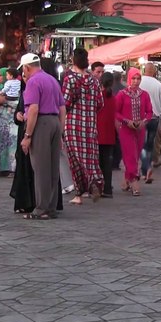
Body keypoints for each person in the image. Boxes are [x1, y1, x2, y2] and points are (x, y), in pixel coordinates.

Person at [10, 57, 64, 214]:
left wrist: (27, 136)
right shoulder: (53, 80)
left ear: (27, 67)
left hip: (41, 123)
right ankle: (52, 206)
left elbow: (33, 109)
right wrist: (60, 131)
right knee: (53, 168)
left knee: (41, 168)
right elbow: (62, 109)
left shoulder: (33, 82)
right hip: (55, 122)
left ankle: (41, 208)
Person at [62, 48, 104, 205]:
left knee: (75, 159)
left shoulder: (70, 79)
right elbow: (100, 103)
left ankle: (80, 192)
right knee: (90, 157)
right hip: (90, 125)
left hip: (73, 125)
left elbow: (65, 103)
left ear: (73, 60)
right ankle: (95, 180)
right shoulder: (94, 80)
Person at [115, 68, 153, 196]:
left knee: (135, 156)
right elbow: (116, 112)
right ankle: (134, 181)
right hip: (126, 129)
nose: (136, 81)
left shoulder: (145, 94)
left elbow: (149, 111)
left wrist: (144, 121)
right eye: (134, 78)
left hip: (140, 129)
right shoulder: (121, 94)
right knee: (130, 155)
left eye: (138, 79)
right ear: (128, 79)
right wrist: (126, 121)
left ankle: (127, 179)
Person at [140, 63, 161, 183]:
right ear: (154, 72)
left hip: (140, 118)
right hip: (154, 118)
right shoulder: (158, 85)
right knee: (151, 143)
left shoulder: (139, 82)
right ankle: (151, 162)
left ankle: (145, 165)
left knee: (142, 143)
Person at [0, 67, 19, 176]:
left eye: (0, 75)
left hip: (12, 122)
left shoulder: (16, 89)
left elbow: (19, 102)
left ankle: (12, 169)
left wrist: (6, 101)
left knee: (12, 145)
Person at [97, 72, 116, 198]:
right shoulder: (113, 98)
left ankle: (99, 187)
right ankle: (108, 188)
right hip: (110, 133)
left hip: (98, 133)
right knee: (107, 163)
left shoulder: (98, 97)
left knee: (98, 163)